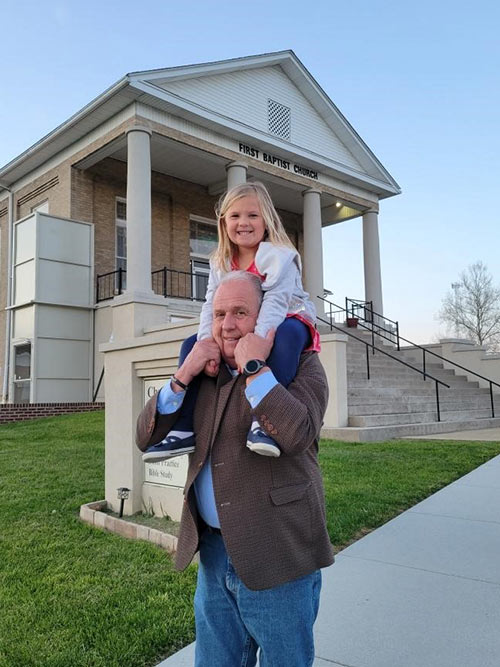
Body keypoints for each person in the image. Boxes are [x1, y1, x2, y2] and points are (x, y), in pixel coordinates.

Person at [136, 272, 334, 667]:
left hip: (279, 555)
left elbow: (296, 432)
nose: (227, 325)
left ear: (264, 319)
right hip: (212, 555)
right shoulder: (203, 375)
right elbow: (146, 436)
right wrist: (182, 375)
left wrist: (257, 370)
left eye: (241, 313)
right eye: (220, 313)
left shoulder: (301, 366)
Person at [142, 181, 320, 463]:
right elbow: (211, 305)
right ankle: (183, 425)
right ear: (224, 222)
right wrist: (207, 343)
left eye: (252, 215)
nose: (243, 223)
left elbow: (275, 304)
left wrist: (257, 345)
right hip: (247, 323)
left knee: (284, 339)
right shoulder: (221, 262)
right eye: (235, 216)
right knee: (191, 346)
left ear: (267, 221)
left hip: (287, 315)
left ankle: (265, 421)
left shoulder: (279, 257)